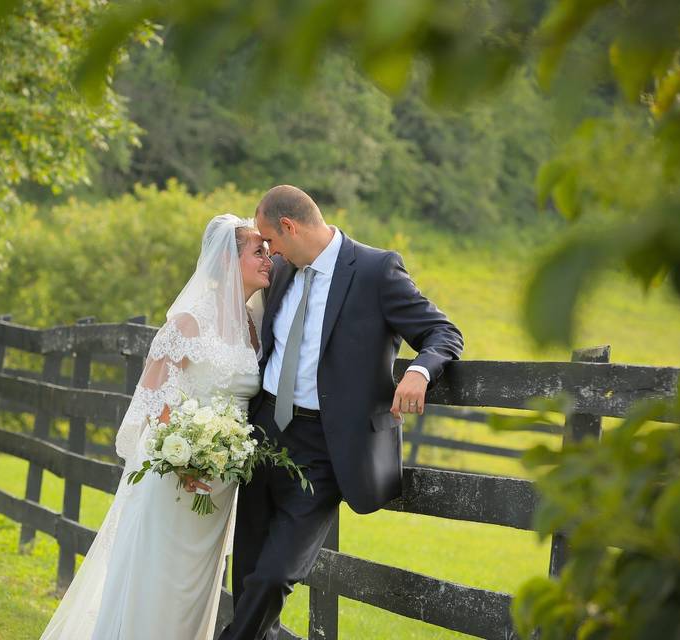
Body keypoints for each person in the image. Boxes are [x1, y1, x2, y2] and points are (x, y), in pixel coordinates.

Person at [218, 185, 464, 640]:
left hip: (325, 450)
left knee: (275, 576)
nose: (269, 253)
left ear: (290, 228)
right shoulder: (287, 272)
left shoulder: (375, 270)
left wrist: (421, 372)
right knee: (249, 570)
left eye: (271, 241)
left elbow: (443, 332)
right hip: (262, 433)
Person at [39, 214, 272, 640]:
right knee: (161, 577)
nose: (268, 260)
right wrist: (181, 454)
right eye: (259, 251)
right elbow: (153, 394)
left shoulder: (252, 327)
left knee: (199, 586)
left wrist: (223, 455)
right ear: (227, 261)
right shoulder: (189, 321)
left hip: (222, 482)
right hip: (177, 473)